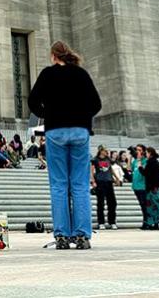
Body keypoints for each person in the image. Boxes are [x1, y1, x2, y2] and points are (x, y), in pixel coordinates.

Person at [29, 40, 102, 250]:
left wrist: (48, 114)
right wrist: (82, 117)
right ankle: (81, 235)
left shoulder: (47, 74)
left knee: (59, 185)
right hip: (80, 131)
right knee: (80, 185)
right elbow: (96, 104)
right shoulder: (81, 74)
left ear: (53, 56)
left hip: (55, 131)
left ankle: (61, 235)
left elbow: (33, 101)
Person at [91, 147, 118, 230]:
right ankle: (101, 222)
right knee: (100, 203)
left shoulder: (108, 159)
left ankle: (112, 222)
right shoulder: (95, 160)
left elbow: (111, 169)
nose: (107, 152)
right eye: (105, 151)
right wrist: (93, 181)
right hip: (100, 182)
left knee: (112, 202)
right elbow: (91, 170)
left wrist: (116, 178)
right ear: (101, 151)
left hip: (109, 181)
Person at [130, 144, 149, 229]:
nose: (137, 151)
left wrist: (139, 160)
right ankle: (145, 221)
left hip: (143, 186)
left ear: (143, 151)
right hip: (135, 186)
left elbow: (143, 172)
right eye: (136, 150)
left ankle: (147, 222)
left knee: (144, 204)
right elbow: (129, 169)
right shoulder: (135, 161)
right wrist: (130, 158)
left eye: (139, 150)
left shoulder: (145, 161)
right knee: (141, 205)